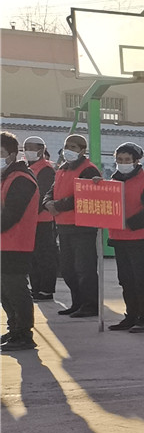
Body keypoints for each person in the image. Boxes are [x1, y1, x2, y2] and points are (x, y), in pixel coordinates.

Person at [106, 143, 144, 333]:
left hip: (139, 238)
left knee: (141, 279)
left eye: (127, 160)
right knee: (125, 279)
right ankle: (131, 314)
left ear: (136, 161)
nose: (122, 163)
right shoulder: (113, 181)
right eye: (119, 160)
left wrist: (131, 222)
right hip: (119, 237)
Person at [46, 134, 102, 317]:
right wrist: (47, 203)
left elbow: (83, 196)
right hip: (63, 226)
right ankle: (77, 303)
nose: (68, 150)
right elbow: (51, 191)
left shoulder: (88, 170)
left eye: (73, 147)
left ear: (82, 150)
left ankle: (90, 305)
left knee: (84, 269)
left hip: (82, 227)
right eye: (66, 146)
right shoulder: (63, 168)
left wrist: (57, 205)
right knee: (68, 269)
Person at [1, 132, 40, 351]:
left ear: (12, 154)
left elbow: (11, 215)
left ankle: (24, 334)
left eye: (0, 153)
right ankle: (14, 328)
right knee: (4, 290)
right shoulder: (6, 177)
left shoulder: (21, 179)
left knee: (16, 289)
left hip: (16, 243)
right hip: (4, 243)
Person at [21, 136, 56, 301]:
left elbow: (42, 195)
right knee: (33, 257)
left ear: (41, 150)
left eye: (31, 148)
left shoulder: (46, 169)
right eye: (26, 148)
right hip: (29, 220)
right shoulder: (27, 168)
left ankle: (46, 290)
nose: (28, 151)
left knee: (44, 256)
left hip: (43, 220)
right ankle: (35, 288)